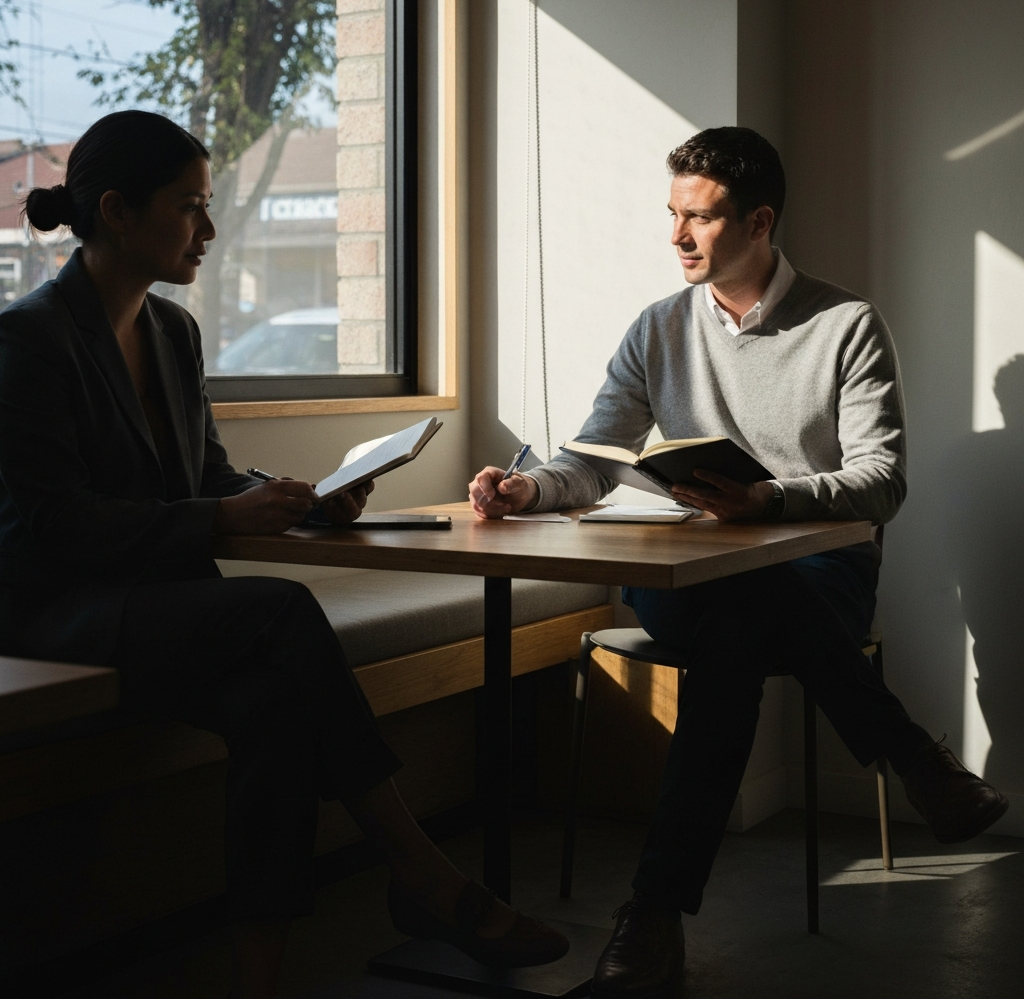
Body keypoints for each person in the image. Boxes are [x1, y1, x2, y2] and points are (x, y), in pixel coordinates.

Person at [0, 110, 567, 999]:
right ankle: (419, 871)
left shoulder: (173, 334)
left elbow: (208, 476)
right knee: (280, 609)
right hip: (53, 612)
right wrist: (230, 520)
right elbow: (56, 526)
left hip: (159, 606)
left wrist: (303, 505)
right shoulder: (28, 341)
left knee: (273, 705)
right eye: (190, 207)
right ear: (116, 210)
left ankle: (259, 978)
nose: (210, 229)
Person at [469, 127, 1008, 999]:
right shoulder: (657, 328)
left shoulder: (844, 326)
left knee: (737, 633)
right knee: (733, 610)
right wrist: (527, 492)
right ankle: (908, 754)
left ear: (760, 222)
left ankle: (651, 920)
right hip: (688, 576)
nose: (677, 237)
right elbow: (594, 458)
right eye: (673, 214)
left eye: (701, 218)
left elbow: (882, 482)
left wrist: (771, 503)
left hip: (817, 575)